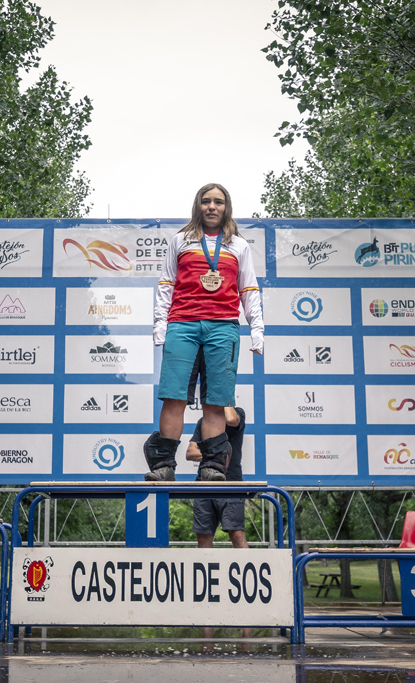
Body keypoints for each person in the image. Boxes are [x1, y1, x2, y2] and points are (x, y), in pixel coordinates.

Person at [145, 183, 263, 481]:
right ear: (197, 206)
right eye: (206, 201)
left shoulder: (239, 245)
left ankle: (211, 467)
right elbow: (166, 284)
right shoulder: (180, 241)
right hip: (182, 325)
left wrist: (257, 329)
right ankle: (163, 467)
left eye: (218, 202)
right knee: (174, 398)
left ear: (227, 207)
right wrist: (160, 324)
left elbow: (248, 289)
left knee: (216, 401)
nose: (212, 207)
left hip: (223, 327)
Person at [188, 405, 253, 640]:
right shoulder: (203, 421)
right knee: (204, 538)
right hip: (203, 484)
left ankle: (249, 585)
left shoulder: (236, 412)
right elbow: (190, 452)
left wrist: (223, 398)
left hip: (231, 483)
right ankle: (206, 587)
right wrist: (214, 454)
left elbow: (232, 420)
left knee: (237, 534)